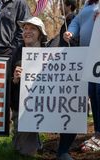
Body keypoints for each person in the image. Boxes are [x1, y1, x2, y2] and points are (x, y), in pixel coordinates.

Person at [63, 0, 100, 153]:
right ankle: (98, 132)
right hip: (88, 57)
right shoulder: (86, 4)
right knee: (93, 93)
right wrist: (70, 31)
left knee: (99, 91)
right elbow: (78, 21)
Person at [11, 16, 47, 156]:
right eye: (25, 28)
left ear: (40, 33)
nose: (27, 31)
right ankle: (29, 140)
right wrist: (14, 79)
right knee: (23, 152)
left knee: (28, 152)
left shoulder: (49, 52)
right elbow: (9, 83)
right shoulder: (17, 52)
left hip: (43, 106)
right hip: (20, 106)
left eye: (32, 28)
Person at [57, 1, 79, 160]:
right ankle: (61, 149)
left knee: (73, 108)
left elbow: (76, 43)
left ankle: (63, 149)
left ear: (69, 6)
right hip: (64, 69)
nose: (60, 7)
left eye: (62, 4)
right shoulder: (66, 22)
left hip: (74, 71)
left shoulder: (73, 21)